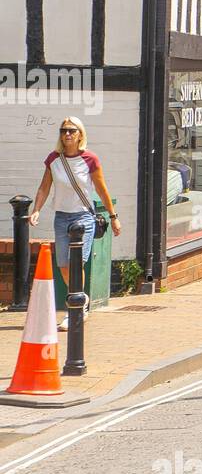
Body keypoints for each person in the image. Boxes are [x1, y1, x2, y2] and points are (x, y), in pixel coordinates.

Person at [29, 117, 121, 329]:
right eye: (64, 131)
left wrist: (113, 216)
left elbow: (101, 189)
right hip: (61, 216)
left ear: (80, 134)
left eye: (71, 131)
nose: (67, 134)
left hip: (83, 217)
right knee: (63, 265)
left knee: (75, 262)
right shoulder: (54, 159)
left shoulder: (90, 159)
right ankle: (81, 298)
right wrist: (36, 210)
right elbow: (44, 187)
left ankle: (75, 308)